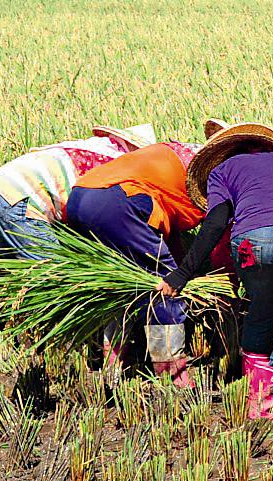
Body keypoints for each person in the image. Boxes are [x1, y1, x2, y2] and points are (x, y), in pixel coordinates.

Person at [158, 122, 273, 420]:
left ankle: (257, 397)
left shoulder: (222, 171)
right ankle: (268, 400)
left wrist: (182, 275)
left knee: (259, 313)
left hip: (252, 241)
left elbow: (216, 223)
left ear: (223, 153)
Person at [66, 134, 207, 385]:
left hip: (79, 197)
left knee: (121, 286)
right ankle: (172, 375)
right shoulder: (205, 174)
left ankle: (112, 366)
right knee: (164, 290)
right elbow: (212, 236)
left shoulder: (173, 155)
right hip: (118, 201)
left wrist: (181, 266)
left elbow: (169, 233)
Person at [0, 124, 156, 259]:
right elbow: (100, 217)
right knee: (52, 277)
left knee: (23, 274)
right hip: (20, 201)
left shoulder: (90, 148)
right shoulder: (113, 163)